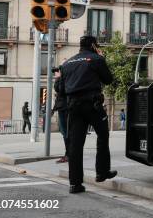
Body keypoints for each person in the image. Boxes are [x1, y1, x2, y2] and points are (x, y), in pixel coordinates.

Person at [60, 35, 117, 194]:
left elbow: (61, 89)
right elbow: (108, 79)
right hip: (93, 105)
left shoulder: (67, 63)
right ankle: (102, 172)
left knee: (75, 145)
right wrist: (101, 58)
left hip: (73, 107)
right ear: (93, 45)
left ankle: (75, 184)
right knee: (103, 135)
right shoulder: (96, 59)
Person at [52, 68, 68, 163]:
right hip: (63, 108)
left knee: (66, 132)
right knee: (64, 133)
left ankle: (69, 155)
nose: (57, 70)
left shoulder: (65, 78)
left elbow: (59, 89)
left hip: (66, 108)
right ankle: (69, 154)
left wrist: (59, 78)